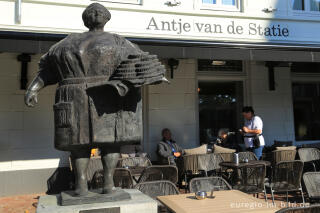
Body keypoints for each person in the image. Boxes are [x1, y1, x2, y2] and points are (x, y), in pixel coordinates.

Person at [24, 3, 167, 196]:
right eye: (92, 12)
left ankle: (108, 183)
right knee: (78, 145)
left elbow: (141, 64)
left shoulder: (120, 41)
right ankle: (81, 185)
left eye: (100, 11)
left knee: (111, 142)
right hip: (76, 97)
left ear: (107, 18)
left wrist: (154, 76)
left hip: (108, 97)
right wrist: (33, 88)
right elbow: (49, 70)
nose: (96, 13)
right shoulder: (66, 43)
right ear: (86, 18)